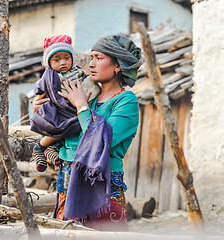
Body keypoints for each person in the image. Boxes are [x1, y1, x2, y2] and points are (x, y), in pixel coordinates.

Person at [32, 34, 142, 231]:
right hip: (68, 176)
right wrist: (38, 112)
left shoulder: (126, 102)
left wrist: (81, 105)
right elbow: (60, 127)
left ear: (118, 65)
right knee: (66, 234)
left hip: (103, 181)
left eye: (99, 58)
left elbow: (102, 140)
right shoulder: (87, 94)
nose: (91, 64)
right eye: (91, 57)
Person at [31, 35, 100, 172]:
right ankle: (39, 147)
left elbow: (86, 85)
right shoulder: (50, 77)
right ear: (49, 62)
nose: (62, 63)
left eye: (67, 59)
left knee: (71, 126)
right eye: (57, 60)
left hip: (75, 108)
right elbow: (40, 92)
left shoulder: (79, 73)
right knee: (61, 125)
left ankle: (49, 150)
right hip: (57, 110)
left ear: (73, 59)